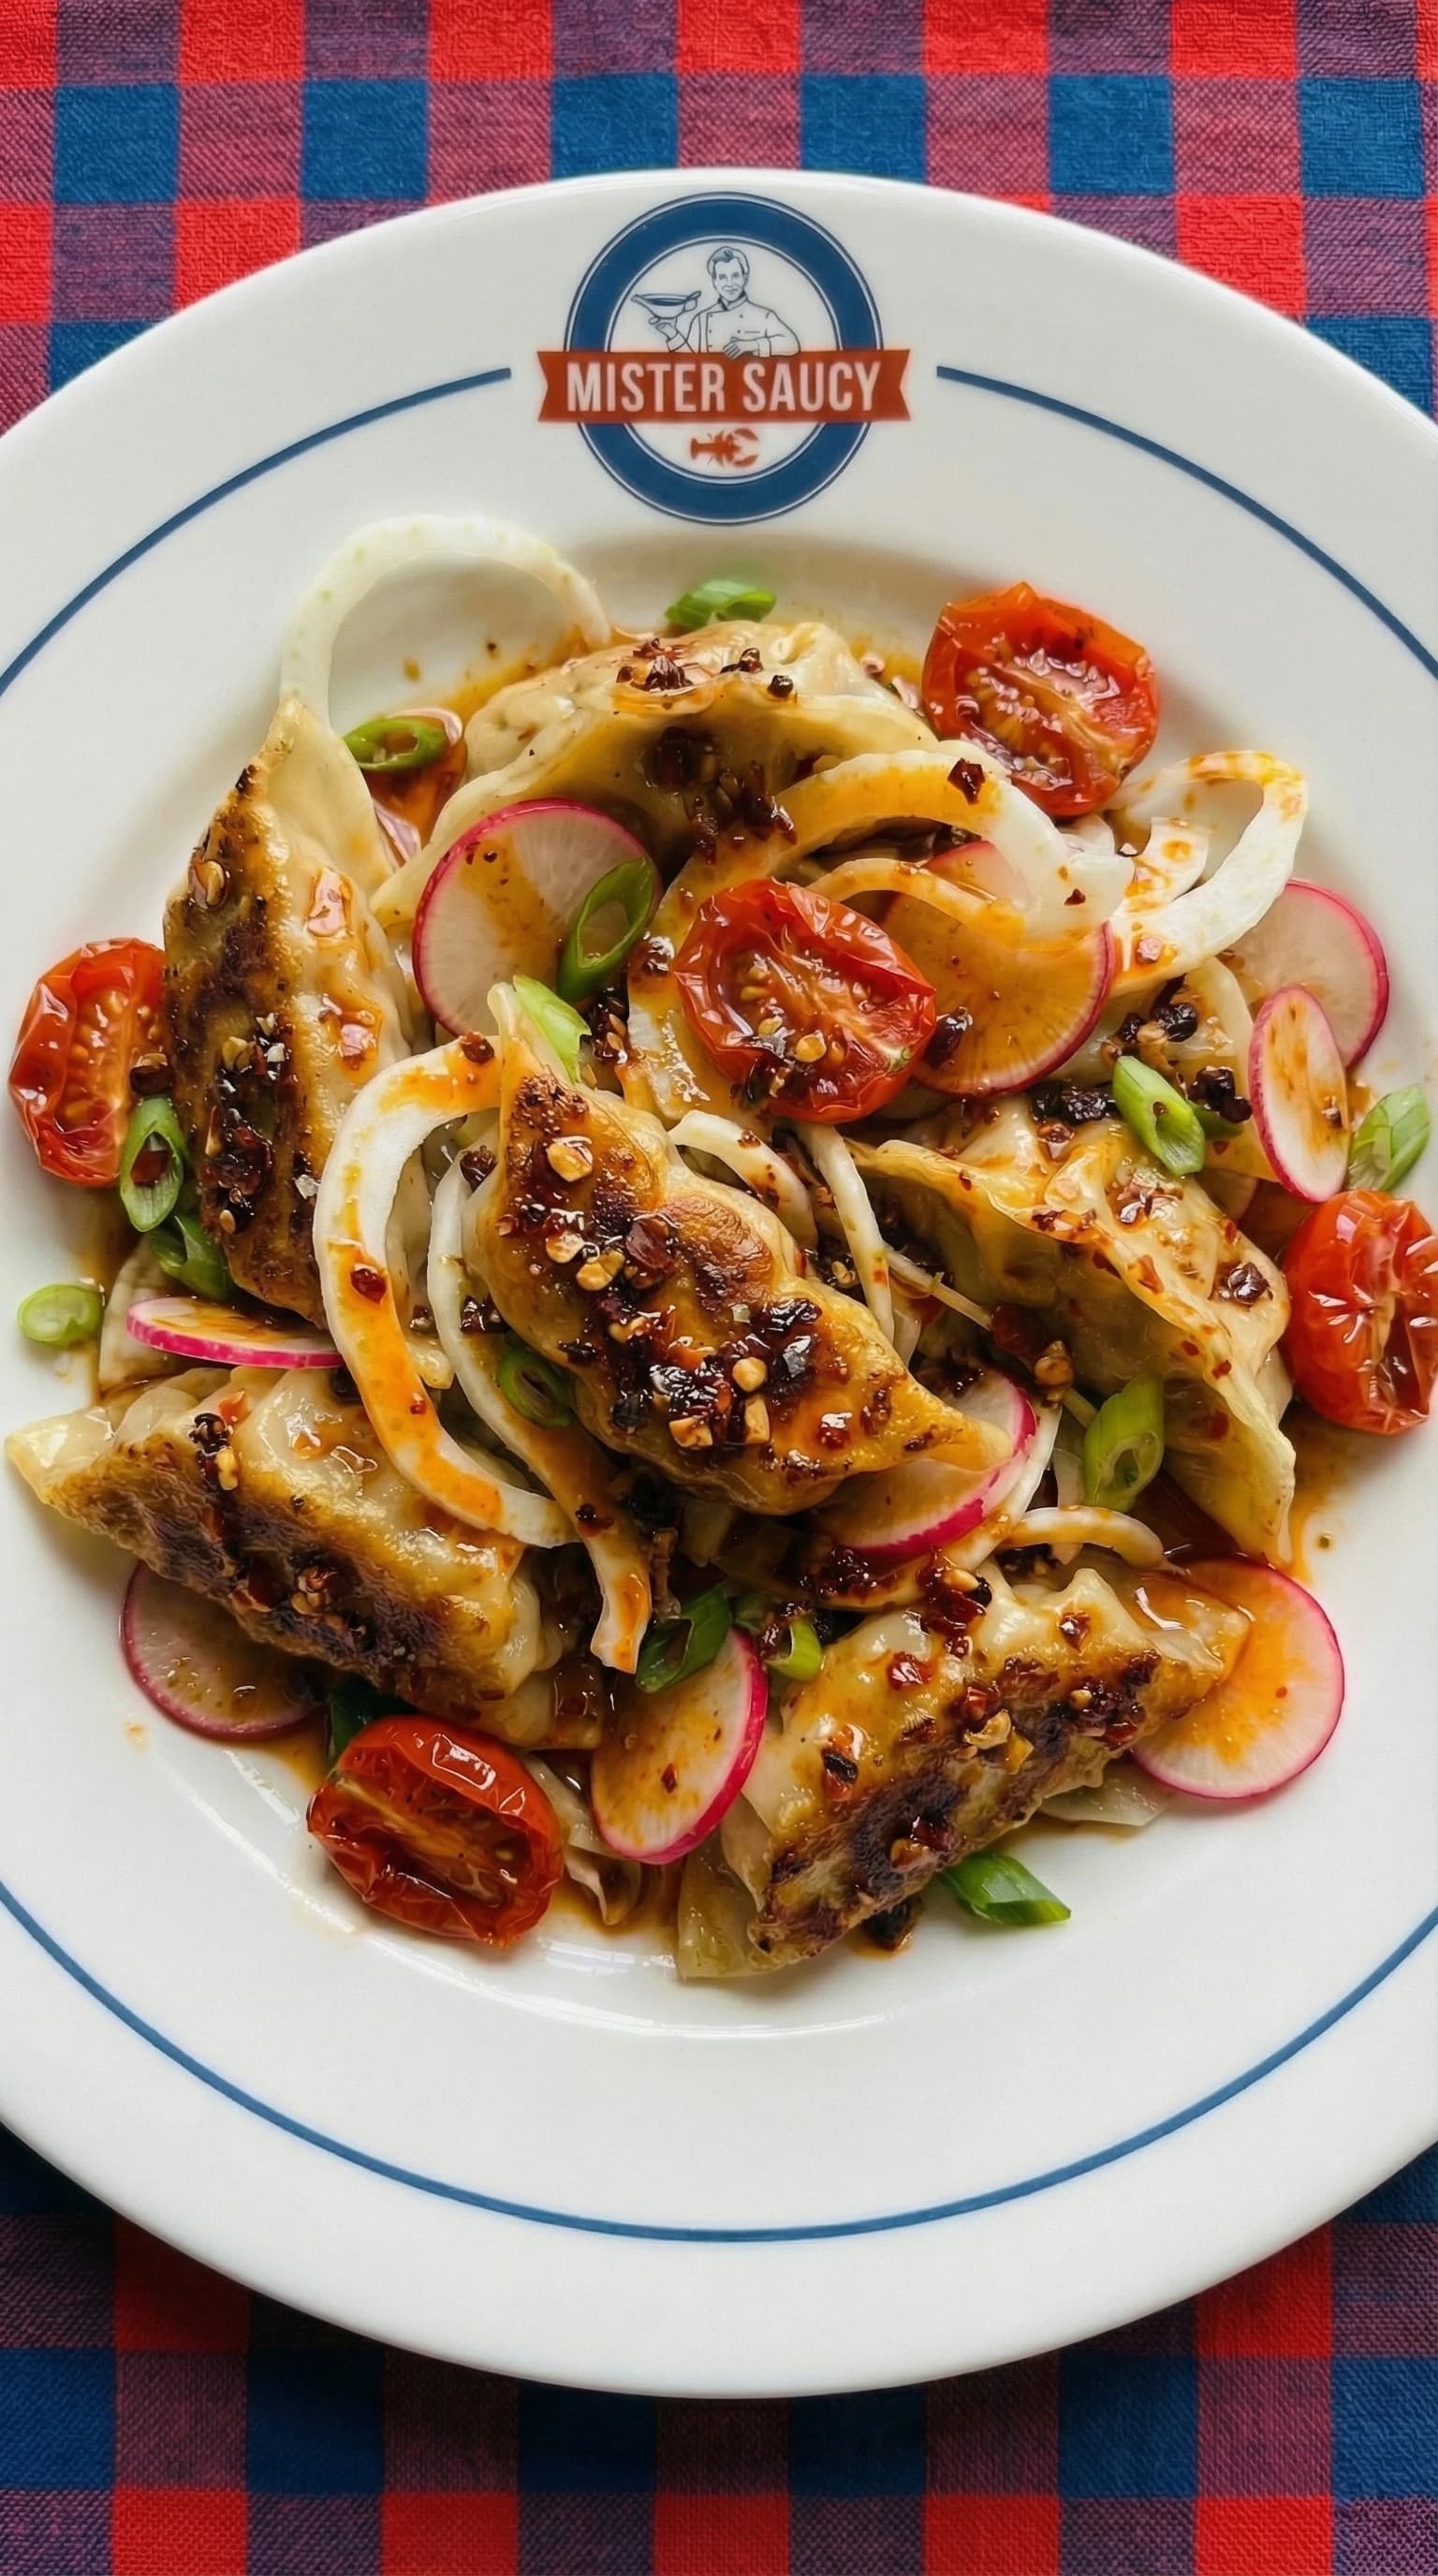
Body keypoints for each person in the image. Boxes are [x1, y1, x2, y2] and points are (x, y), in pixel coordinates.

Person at [662, 247, 799, 359]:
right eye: (722, 277)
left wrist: (749, 345)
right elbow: (688, 361)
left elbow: (792, 345)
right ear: (714, 282)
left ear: (745, 278)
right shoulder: (701, 319)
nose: (729, 284)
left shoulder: (764, 316)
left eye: (735, 276)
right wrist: (671, 333)